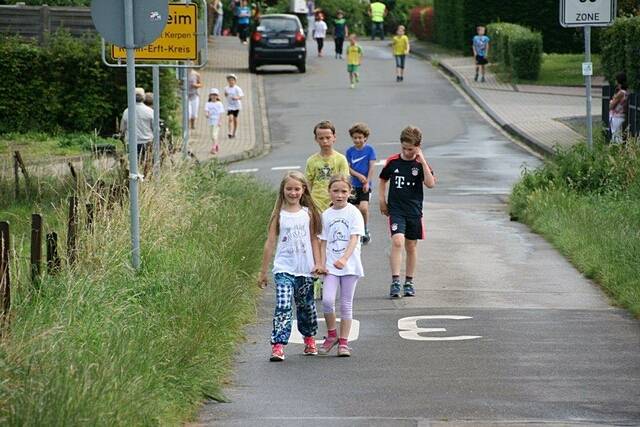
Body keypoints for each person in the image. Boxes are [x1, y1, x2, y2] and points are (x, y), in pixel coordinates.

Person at [258, 171, 323, 361]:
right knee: (283, 305)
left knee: (306, 306)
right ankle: (278, 345)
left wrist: (318, 263)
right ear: (283, 190)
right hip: (284, 268)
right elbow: (270, 243)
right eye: (289, 189)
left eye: (297, 189)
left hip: (305, 268)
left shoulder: (308, 214)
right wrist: (263, 272)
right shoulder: (278, 215)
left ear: (303, 190)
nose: (293, 193)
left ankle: (309, 338)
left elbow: (314, 240)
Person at [378, 126, 436, 298]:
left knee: (411, 246)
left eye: (411, 149)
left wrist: (423, 161)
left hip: (414, 211)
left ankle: (409, 281)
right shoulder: (393, 162)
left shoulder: (419, 164)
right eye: (404, 148)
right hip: (396, 209)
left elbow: (430, 183)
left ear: (418, 147)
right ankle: (395, 281)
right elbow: (382, 179)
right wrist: (382, 200)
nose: (407, 152)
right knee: (397, 241)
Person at [318, 175, 365, 357]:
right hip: (330, 265)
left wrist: (345, 259)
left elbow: (354, 238)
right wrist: (321, 263)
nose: (339, 195)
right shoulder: (326, 215)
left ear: (350, 192)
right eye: (335, 191)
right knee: (328, 301)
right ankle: (332, 335)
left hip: (350, 265)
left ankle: (344, 342)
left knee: (346, 304)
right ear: (329, 192)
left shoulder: (354, 213)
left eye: (344, 191)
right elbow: (322, 241)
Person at [305, 120, 350, 212]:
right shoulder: (311, 161)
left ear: (334, 137)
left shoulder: (341, 159)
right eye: (321, 138)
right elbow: (308, 184)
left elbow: (345, 182)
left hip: (335, 202)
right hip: (316, 203)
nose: (325, 141)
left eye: (328, 137)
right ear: (316, 139)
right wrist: (307, 202)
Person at [345, 122, 376, 244]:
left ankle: (365, 229)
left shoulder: (369, 150)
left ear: (365, 138)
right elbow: (348, 168)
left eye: (360, 137)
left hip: (365, 185)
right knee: (355, 210)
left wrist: (367, 182)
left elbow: (372, 167)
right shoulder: (349, 151)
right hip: (353, 185)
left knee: (363, 208)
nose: (357, 140)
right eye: (355, 138)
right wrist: (358, 176)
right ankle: (356, 231)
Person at [120, 87, 154, 165]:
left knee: (133, 166)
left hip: (131, 143)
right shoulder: (150, 111)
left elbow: (122, 129)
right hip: (147, 142)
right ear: (143, 97)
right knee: (147, 165)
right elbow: (155, 129)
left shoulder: (127, 111)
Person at [609, 72, 629, 144]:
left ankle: (618, 151)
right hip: (621, 116)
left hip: (616, 117)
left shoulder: (620, 93)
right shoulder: (626, 92)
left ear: (618, 81)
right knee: (618, 134)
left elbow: (611, 106)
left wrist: (611, 101)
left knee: (616, 135)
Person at [204, 88, 225, 154]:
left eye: (215, 95)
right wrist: (207, 115)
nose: (214, 96)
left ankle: (213, 148)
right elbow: (206, 111)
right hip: (211, 121)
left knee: (214, 134)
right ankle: (216, 145)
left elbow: (220, 113)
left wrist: (220, 121)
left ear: (217, 96)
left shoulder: (219, 104)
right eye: (212, 95)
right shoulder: (208, 104)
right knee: (212, 135)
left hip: (216, 121)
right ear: (210, 96)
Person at [224, 73, 244, 138]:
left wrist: (236, 98)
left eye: (232, 80)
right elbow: (226, 95)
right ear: (228, 81)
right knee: (230, 118)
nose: (231, 81)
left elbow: (241, 96)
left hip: (236, 106)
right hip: (230, 105)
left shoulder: (237, 88)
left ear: (235, 81)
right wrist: (226, 94)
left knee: (235, 119)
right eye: (229, 80)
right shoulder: (226, 88)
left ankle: (234, 132)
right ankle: (229, 132)